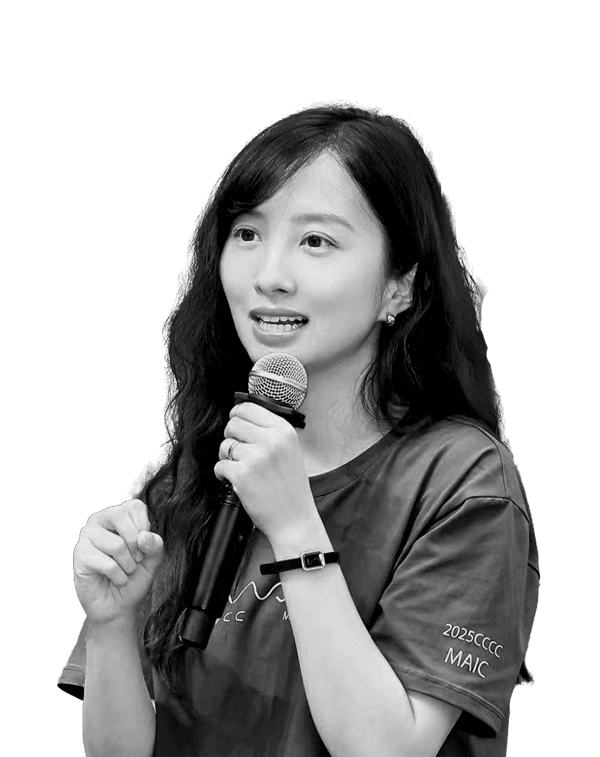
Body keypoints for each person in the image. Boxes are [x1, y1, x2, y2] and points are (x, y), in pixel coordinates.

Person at [58, 103, 539, 757]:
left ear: (399, 286)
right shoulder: (196, 473)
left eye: (316, 241)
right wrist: (112, 623)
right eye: (247, 233)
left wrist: (294, 526)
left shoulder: (462, 480)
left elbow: (387, 750)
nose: (269, 277)